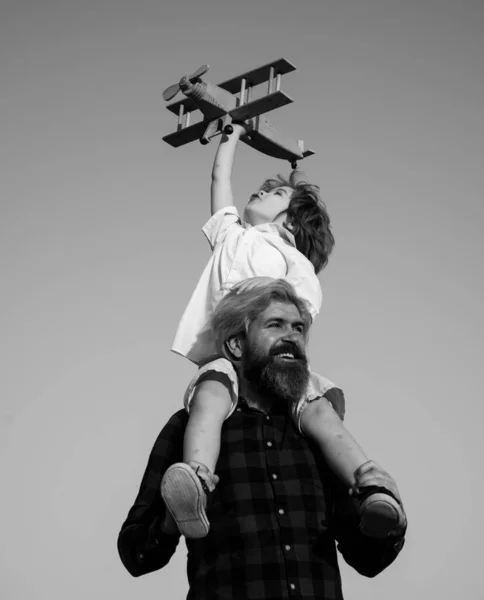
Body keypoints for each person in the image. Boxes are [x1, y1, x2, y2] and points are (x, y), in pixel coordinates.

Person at [164, 123, 404, 539]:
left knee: (318, 411)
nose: (259, 192)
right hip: (228, 354)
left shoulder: (291, 256)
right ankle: (197, 482)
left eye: (275, 193)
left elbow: (302, 309)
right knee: (209, 397)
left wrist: (299, 179)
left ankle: (371, 485)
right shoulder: (231, 235)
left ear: (291, 221)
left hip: (276, 357)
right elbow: (219, 180)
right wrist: (230, 136)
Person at [117, 281, 407, 600]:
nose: (291, 337)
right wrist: (176, 516)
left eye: (298, 328)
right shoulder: (189, 428)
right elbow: (136, 554)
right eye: (275, 325)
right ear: (237, 345)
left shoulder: (318, 434)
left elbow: (368, 559)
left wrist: (387, 528)